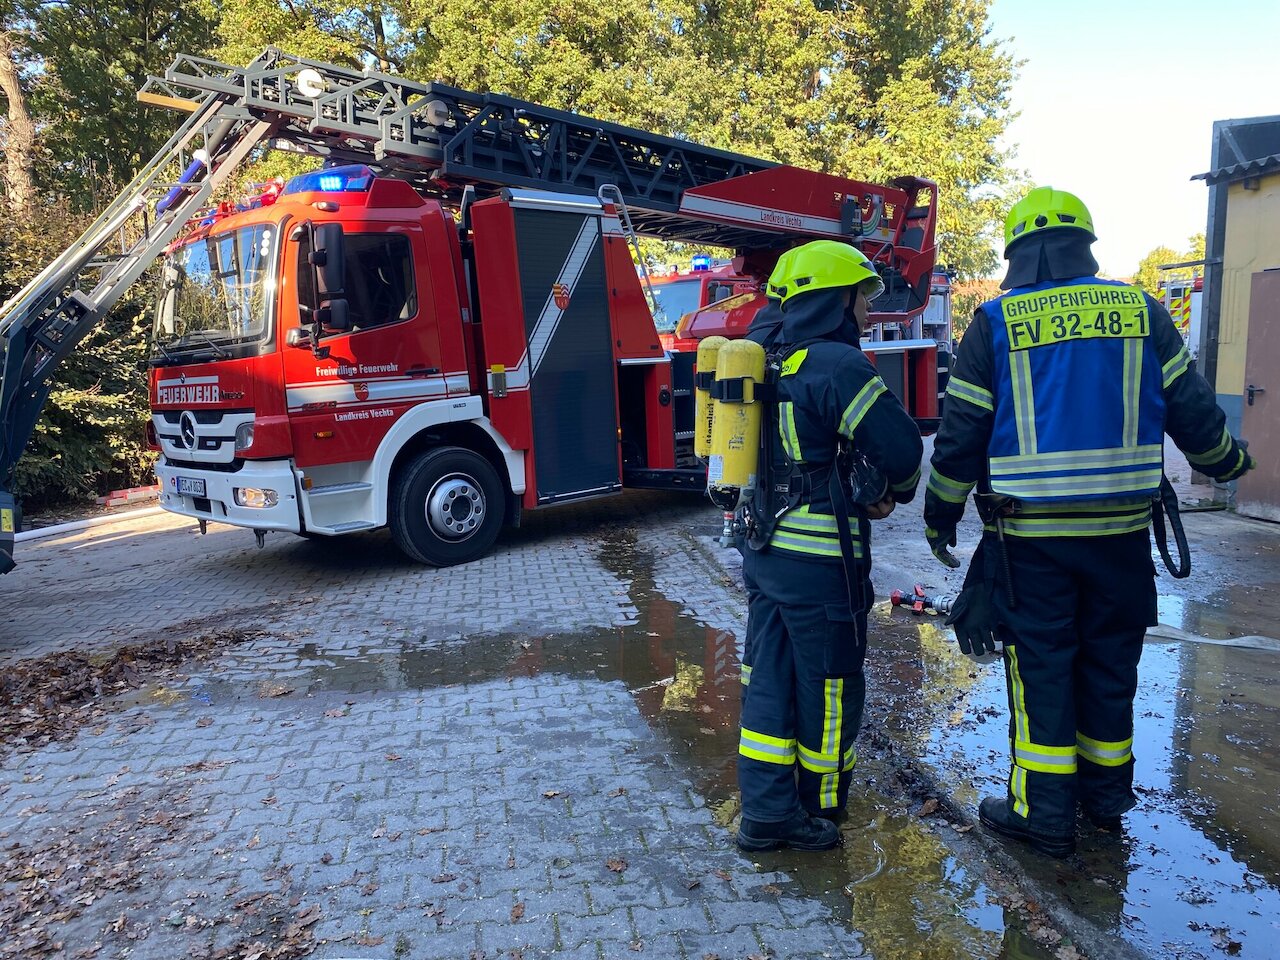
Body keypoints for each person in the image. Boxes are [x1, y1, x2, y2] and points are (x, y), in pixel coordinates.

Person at [923, 187, 1254, 857]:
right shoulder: (1141, 311)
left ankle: (1042, 813)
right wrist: (1230, 460)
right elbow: (1193, 411)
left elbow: (960, 436)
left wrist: (940, 516)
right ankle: (1105, 800)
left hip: (1031, 544)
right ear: (1086, 244)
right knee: (1110, 664)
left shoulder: (995, 322)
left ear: (1018, 253)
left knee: (1043, 668)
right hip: (1121, 539)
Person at [735, 240, 924, 852]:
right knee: (831, 684)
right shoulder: (837, 364)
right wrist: (889, 488)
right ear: (835, 299)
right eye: (861, 296)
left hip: (762, 555)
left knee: (769, 677)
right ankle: (821, 805)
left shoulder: (761, 358)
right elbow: (903, 451)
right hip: (821, 564)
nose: (866, 310)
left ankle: (766, 811)